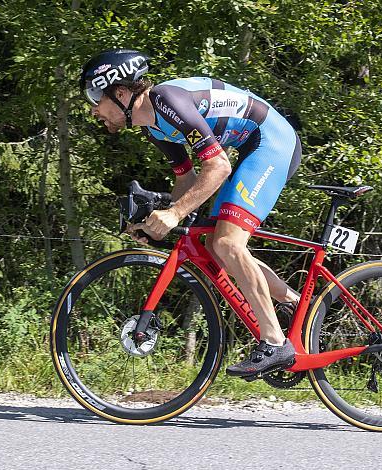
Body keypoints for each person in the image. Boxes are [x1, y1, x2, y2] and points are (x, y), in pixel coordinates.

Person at [80, 49, 302, 378]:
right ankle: (299, 306)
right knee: (215, 245)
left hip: (272, 142)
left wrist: (174, 214)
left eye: (96, 98)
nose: (94, 109)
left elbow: (218, 165)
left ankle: (274, 342)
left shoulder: (166, 101)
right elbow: (186, 179)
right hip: (248, 149)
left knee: (228, 244)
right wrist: (163, 220)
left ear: (122, 93)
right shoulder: (152, 127)